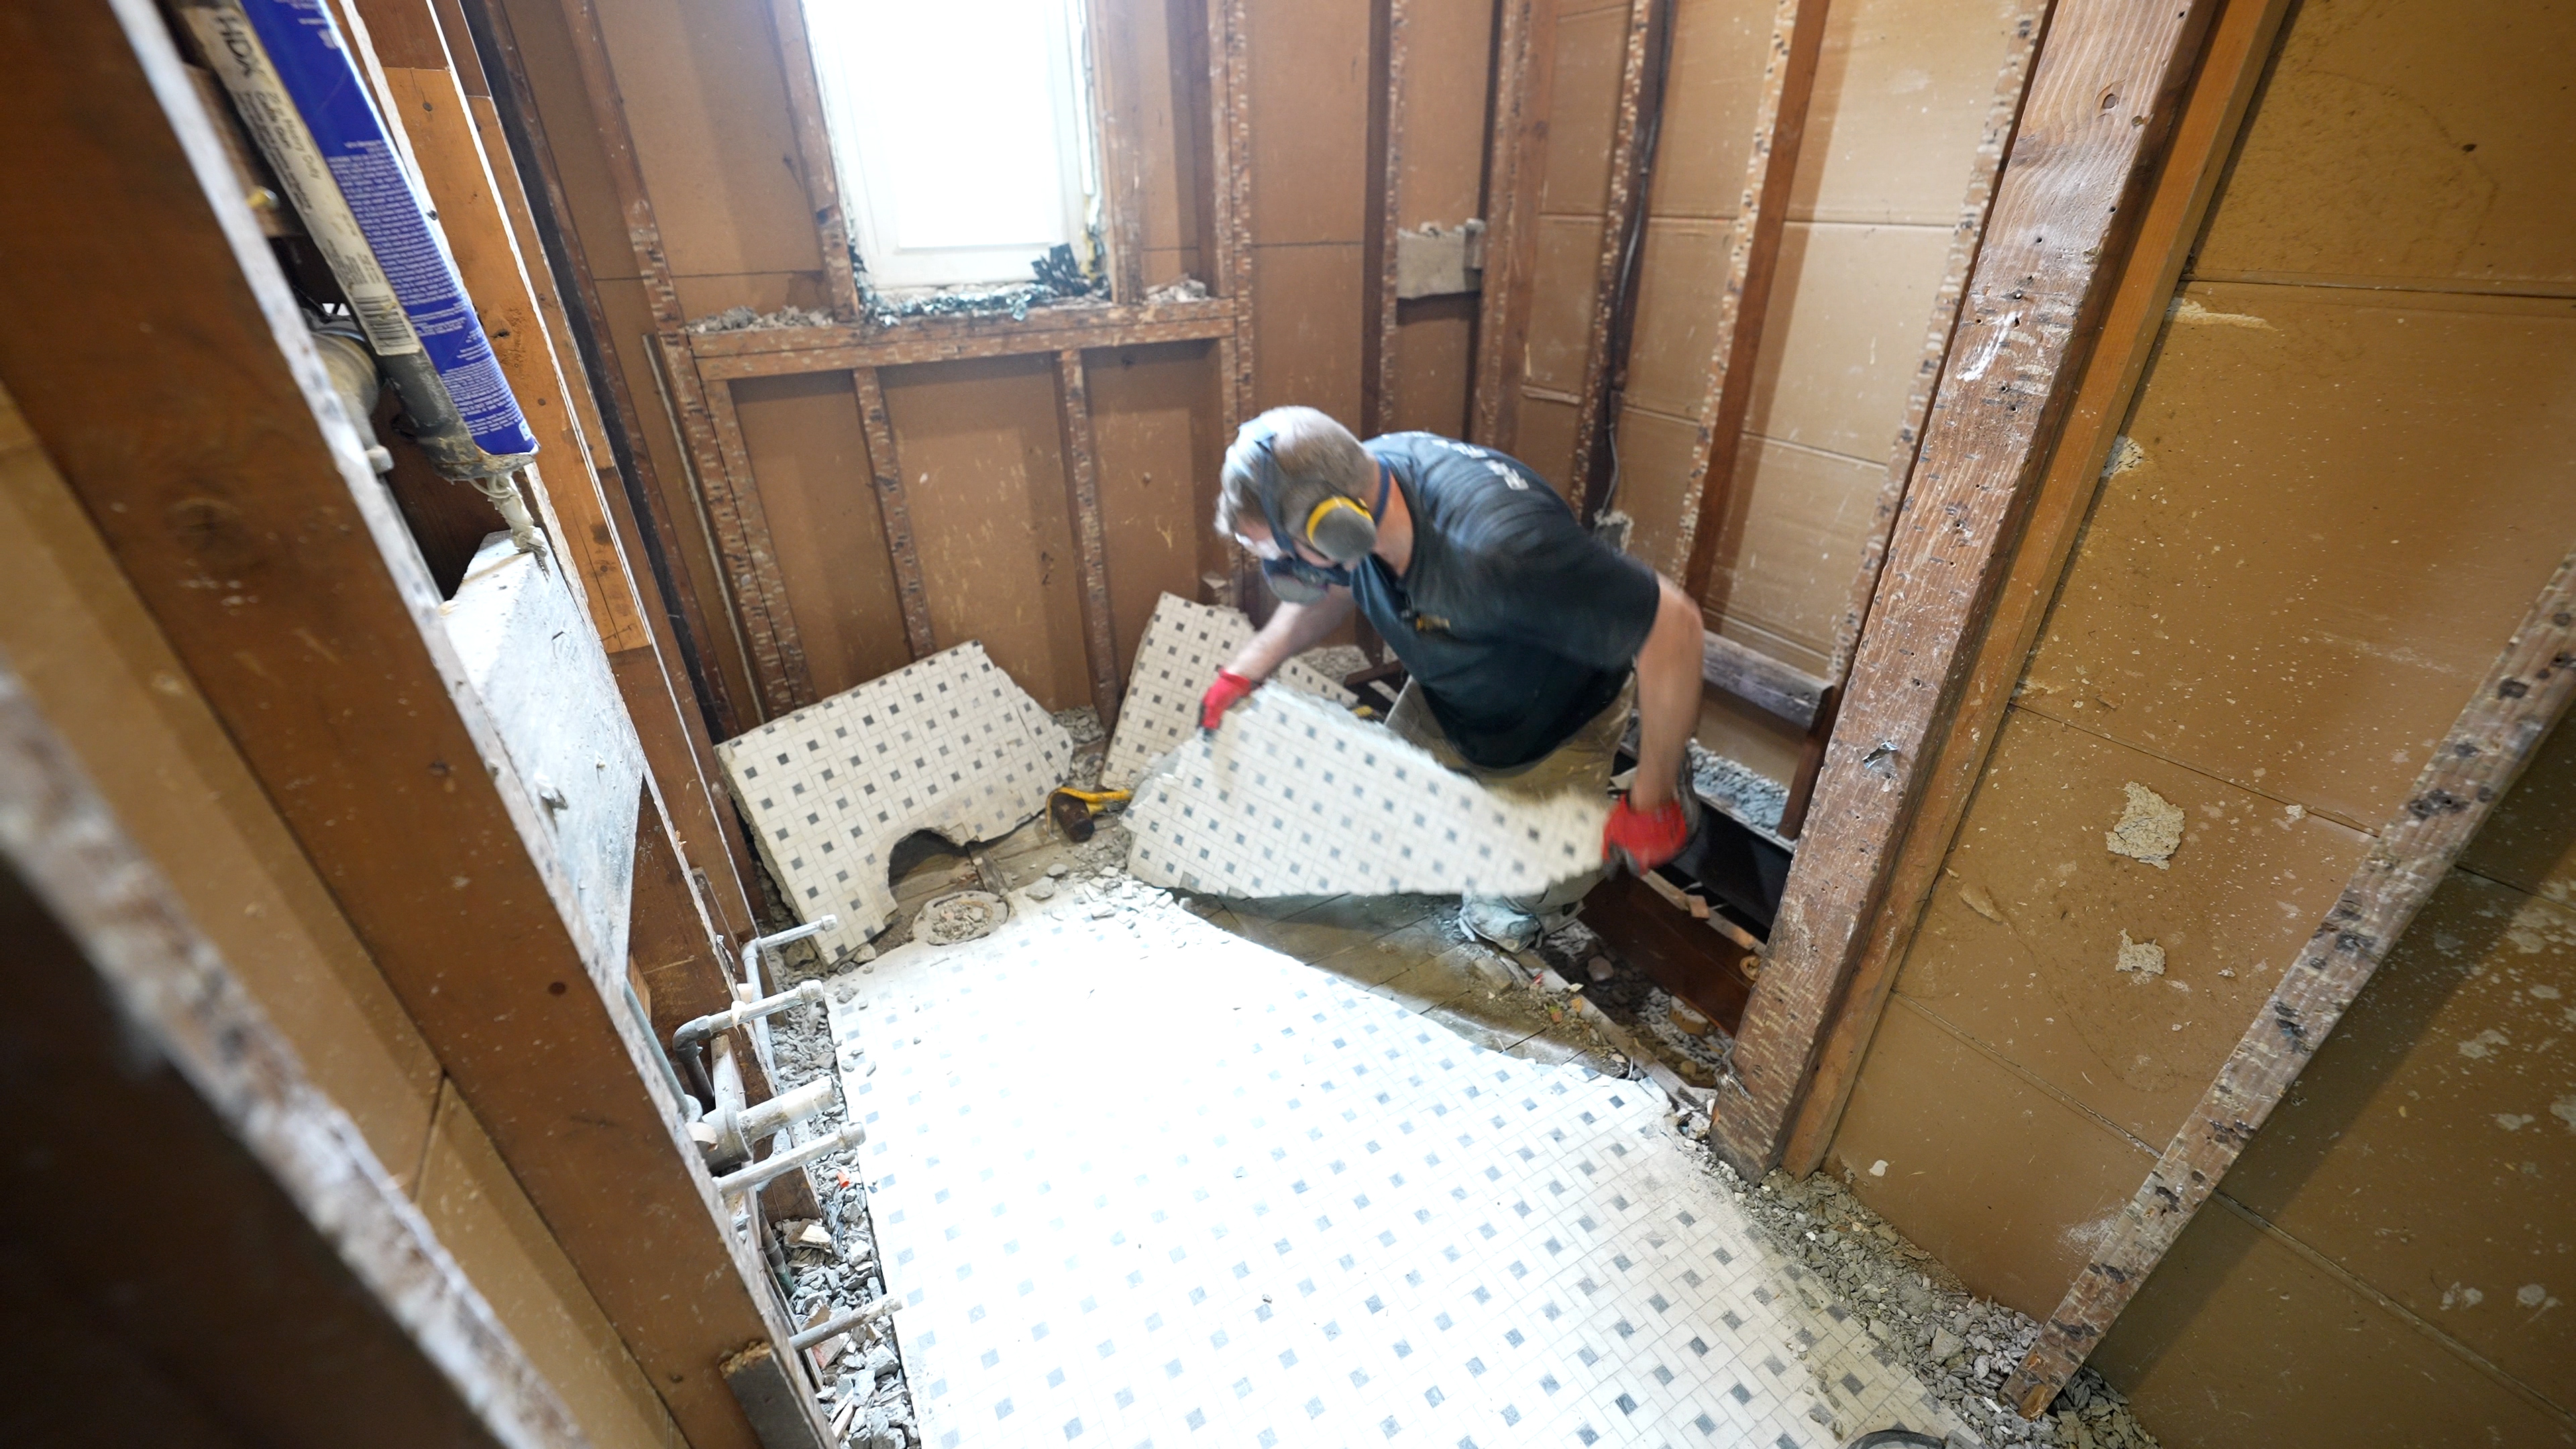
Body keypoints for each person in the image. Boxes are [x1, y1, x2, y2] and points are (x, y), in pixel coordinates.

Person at [1199, 405, 1705, 951]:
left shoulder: (1501, 549)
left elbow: (1674, 627)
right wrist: (1244, 672)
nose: (1285, 574)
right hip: (1450, 686)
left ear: (1336, 527)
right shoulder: (1360, 489)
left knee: (1509, 905)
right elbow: (1333, 584)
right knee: (1372, 836)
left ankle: (1647, 784)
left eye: (1283, 557)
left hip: (1554, 718)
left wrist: (1650, 801)